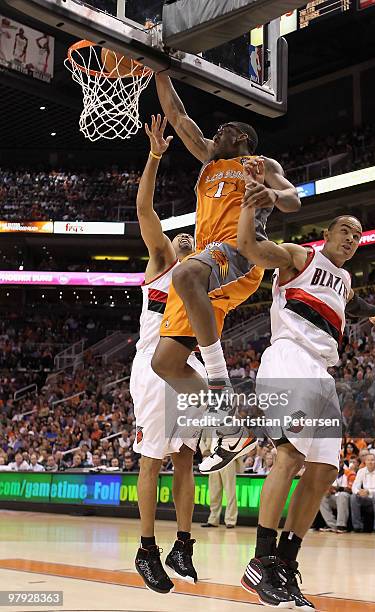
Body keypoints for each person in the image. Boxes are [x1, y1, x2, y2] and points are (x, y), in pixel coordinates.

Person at [208, 168, 375, 609]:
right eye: (345, 230)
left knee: (324, 469)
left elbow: (354, 304)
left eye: (358, 235)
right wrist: (251, 204)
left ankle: (286, 562)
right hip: (290, 358)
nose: (352, 238)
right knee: (289, 455)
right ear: (326, 233)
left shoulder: (344, 282)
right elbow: (249, 247)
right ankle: (261, 562)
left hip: (323, 373)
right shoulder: (299, 258)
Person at [151, 72, 300, 463]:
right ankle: (231, 428)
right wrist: (157, 69)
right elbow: (177, 115)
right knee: (164, 362)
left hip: (239, 253)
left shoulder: (258, 162)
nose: (215, 134)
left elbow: (293, 199)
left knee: (182, 273)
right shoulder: (207, 160)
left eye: (222, 131)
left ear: (241, 137)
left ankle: (220, 388)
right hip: (206, 265)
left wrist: (272, 193)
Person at [130, 115, 206, 593]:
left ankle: (182, 542)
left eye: (192, 242)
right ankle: (146, 549)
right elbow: (144, 211)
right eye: (182, 237)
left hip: (185, 368)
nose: (186, 240)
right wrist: (156, 156)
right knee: (152, 459)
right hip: (153, 367)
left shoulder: (201, 285)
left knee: (185, 459)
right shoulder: (161, 263)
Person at [200, 435, 238, 529]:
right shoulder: (210, 422)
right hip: (212, 458)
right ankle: (213, 520)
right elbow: (201, 437)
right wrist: (205, 451)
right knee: (214, 491)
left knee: (230, 491)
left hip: (228, 457)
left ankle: (230, 520)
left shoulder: (231, 422)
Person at [351, 454, 375, 533]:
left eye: (372, 460)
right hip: (365, 498)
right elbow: (354, 486)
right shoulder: (361, 471)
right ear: (365, 462)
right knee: (353, 497)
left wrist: (368, 491)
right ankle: (357, 526)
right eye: (368, 460)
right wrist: (359, 492)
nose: (370, 462)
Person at [319, 457, 354, 533]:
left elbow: (351, 489)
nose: (338, 464)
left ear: (342, 463)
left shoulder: (350, 473)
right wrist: (327, 491)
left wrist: (337, 489)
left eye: (340, 462)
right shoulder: (330, 474)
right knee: (322, 497)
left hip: (348, 498)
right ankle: (332, 525)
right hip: (335, 497)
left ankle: (341, 525)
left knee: (342, 495)